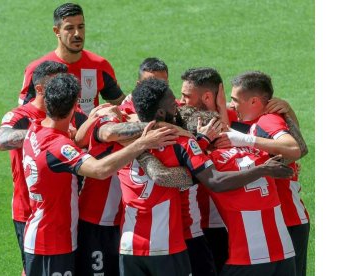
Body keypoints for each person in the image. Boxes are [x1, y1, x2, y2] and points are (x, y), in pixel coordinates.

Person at [116, 78, 293, 276]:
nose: (177, 103)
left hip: (136, 243)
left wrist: (139, 148)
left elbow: (163, 175)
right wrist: (288, 114)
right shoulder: (254, 154)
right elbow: (297, 150)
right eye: (172, 101)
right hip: (280, 251)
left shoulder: (120, 144)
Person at [22, 73, 179, 276]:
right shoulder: (59, 145)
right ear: (75, 105)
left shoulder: (35, 130)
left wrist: (91, 121)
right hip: (55, 238)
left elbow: (76, 140)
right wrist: (143, 143)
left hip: (51, 232)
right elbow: (99, 169)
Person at [181, 107, 297, 275]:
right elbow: (298, 149)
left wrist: (200, 141)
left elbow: (188, 173)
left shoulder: (210, 163)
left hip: (248, 256)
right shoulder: (258, 149)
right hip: (284, 251)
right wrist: (288, 111)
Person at [217, 71, 310, 276]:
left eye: (235, 100)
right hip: (279, 220)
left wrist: (243, 140)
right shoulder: (257, 122)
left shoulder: (267, 120)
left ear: (254, 101)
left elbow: (294, 147)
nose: (232, 105)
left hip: (288, 219)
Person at [0, 60, 70, 273]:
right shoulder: (20, 116)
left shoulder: (66, 112)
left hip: (61, 211)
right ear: (39, 89)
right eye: (56, 85)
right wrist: (45, 135)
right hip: (27, 210)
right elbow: (2, 140)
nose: (62, 89)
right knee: (30, 269)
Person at [18, 3, 125, 115]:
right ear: (57, 31)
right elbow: (24, 116)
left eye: (81, 27)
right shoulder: (36, 69)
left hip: (90, 131)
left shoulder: (100, 66)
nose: (77, 34)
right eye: (70, 28)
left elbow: (121, 105)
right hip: (52, 132)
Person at [179, 67, 230, 273]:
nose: (181, 100)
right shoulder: (182, 116)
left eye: (186, 96)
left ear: (207, 96)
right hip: (193, 225)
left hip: (220, 224)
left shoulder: (237, 118)